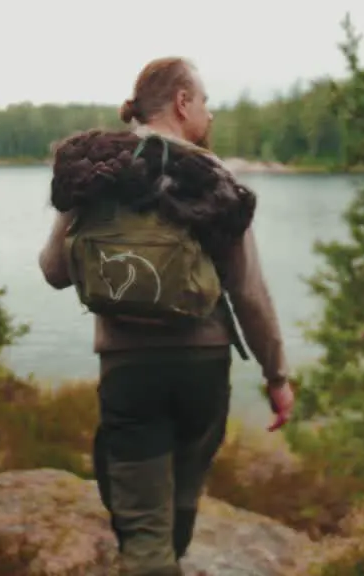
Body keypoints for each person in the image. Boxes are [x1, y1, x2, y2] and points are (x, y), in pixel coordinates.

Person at [37, 56, 294, 575]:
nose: (210, 116)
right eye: (205, 104)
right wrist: (276, 375)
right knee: (181, 497)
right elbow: (248, 291)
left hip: (129, 371)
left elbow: (54, 269)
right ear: (181, 103)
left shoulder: (99, 169)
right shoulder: (211, 174)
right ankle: (164, 554)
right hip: (202, 368)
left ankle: (151, 555)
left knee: (141, 526)